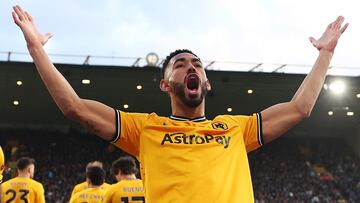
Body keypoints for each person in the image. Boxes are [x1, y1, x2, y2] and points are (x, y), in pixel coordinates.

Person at [12, 5, 348, 202]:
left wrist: (325, 55)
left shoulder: (235, 129)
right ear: (165, 84)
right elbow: (74, 106)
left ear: (206, 82)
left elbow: (299, 108)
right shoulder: (144, 128)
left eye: (197, 64)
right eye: (181, 64)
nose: (191, 66)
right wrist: (36, 50)